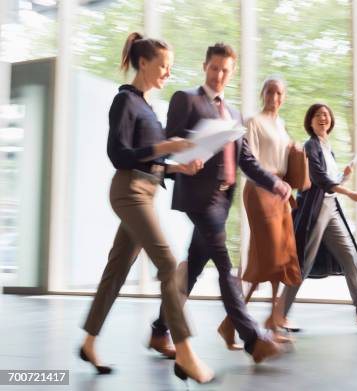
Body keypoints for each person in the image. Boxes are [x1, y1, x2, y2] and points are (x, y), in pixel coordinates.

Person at [79, 32, 213, 384]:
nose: (168, 73)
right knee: (170, 266)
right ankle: (184, 353)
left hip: (147, 190)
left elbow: (150, 160)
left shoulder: (148, 108)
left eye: (170, 67)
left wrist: (176, 166)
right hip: (129, 193)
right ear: (143, 62)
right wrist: (165, 146)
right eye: (163, 65)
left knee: (116, 271)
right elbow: (119, 156)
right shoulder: (124, 102)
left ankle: (89, 342)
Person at [148, 43, 292, 363]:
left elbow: (248, 161)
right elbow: (167, 145)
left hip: (223, 198)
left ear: (233, 71)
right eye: (214, 68)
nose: (219, 74)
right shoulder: (186, 99)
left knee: (193, 268)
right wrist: (183, 161)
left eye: (225, 69)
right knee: (226, 266)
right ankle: (252, 338)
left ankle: (159, 329)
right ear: (205, 67)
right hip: (199, 197)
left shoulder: (234, 113)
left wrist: (275, 183)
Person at [276, 103, 357, 331]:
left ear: (331, 121)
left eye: (326, 115)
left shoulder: (327, 147)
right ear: (310, 121)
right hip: (315, 210)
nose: (322, 118)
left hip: (331, 208)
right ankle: (280, 315)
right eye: (318, 115)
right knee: (303, 263)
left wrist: (344, 178)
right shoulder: (310, 146)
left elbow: (331, 181)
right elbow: (321, 181)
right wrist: (352, 193)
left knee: (350, 257)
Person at [218, 77, 301, 340]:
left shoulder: (281, 125)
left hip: (280, 191)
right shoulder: (253, 121)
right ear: (262, 93)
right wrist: (273, 182)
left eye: (279, 93)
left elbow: (282, 159)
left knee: (282, 255)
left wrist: (294, 152)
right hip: (260, 189)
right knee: (267, 256)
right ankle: (234, 319)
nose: (274, 97)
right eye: (269, 92)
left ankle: (272, 319)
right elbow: (250, 160)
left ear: (283, 97)